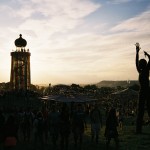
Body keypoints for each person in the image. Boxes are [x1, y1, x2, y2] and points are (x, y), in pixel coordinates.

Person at [135, 43, 150, 134]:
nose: (139, 64)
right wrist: (137, 52)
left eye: (140, 63)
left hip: (145, 91)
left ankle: (138, 129)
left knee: (143, 110)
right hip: (146, 91)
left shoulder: (144, 70)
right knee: (143, 110)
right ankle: (138, 129)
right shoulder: (142, 70)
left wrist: (146, 54)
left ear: (142, 65)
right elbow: (136, 63)